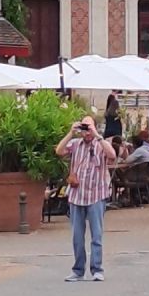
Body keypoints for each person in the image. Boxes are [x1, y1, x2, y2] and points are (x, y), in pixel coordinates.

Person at [56, 115, 116, 281]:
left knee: (96, 235)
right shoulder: (76, 144)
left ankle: (97, 269)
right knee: (77, 236)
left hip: (96, 194)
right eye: (84, 129)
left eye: (89, 128)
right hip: (77, 195)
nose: (87, 132)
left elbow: (112, 154)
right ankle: (78, 270)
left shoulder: (101, 144)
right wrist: (71, 132)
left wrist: (97, 134)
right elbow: (59, 151)